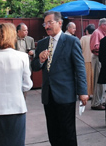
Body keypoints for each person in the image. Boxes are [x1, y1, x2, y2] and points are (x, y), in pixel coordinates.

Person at [31, 11, 88, 146]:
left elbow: (80, 68)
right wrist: (39, 59)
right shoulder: (43, 43)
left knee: (67, 133)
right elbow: (34, 67)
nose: (47, 26)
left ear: (60, 23)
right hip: (48, 95)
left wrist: (83, 91)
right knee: (53, 132)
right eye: (45, 23)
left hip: (65, 94)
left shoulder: (71, 41)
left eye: (50, 22)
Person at [90, 18, 106, 110]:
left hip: (100, 58)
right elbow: (95, 48)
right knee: (99, 81)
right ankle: (96, 103)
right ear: (103, 25)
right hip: (98, 58)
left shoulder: (101, 33)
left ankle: (99, 101)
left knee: (101, 81)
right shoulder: (97, 33)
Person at [80, 24, 96, 98]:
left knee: (86, 78)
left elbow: (80, 48)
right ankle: (94, 93)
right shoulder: (95, 37)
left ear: (87, 31)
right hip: (94, 59)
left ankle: (87, 93)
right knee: (94, 78)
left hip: (85, 59)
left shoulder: (83, 38)